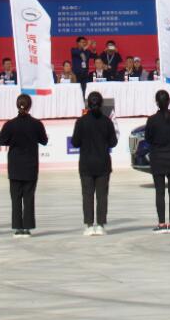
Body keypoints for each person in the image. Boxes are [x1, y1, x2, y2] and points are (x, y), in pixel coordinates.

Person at [0, 93, 49, 237]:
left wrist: (12, 141)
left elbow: (0, 140)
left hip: (15, 165)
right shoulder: (36, 124)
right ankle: (27, 227)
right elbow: (44, 141)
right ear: (30, 106)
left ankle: (18, 227)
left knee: (16, 198)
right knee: (29, 197)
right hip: (30, 165)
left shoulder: (10, 124)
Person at [74, 91, 118, 235]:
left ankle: (88, 225)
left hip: (86, 163)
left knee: (87, 195)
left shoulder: (81, 122)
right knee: (102, 195)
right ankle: (100, 225)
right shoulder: (107, 121)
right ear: (101, 104)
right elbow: (113, 142)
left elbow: (75, 142)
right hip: (103, 163)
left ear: (88, 104)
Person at [143, 89, 170, 232]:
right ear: (169, 101)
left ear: (156, 102)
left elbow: (148, 138)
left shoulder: (152, 120)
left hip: (158, 158)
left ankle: (161, 223)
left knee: (159, 192)